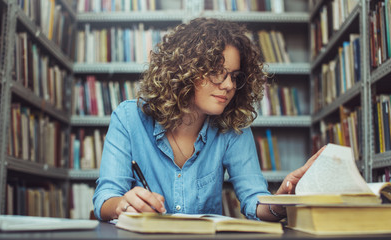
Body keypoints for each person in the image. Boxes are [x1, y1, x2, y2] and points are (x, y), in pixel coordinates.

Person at [92, 17, 324, 222]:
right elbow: (105, 199)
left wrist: (281, 200)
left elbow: (254, 200)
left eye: (235, 76)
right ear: (183, 71)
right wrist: (123, 205)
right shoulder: (128, 118)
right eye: (216, 72)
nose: (229, 85)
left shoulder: (233, 127)